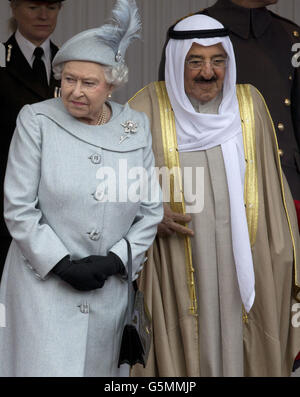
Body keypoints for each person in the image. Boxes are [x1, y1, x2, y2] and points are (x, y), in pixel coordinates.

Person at [129, 14, 300, 377]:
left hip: (247, 262)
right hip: (176, 265)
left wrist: (282, 262)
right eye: (195, 61)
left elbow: (272, 194)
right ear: (176, 62)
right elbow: (108, 188)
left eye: (217, 60)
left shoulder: (249, 106)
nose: (208, 72)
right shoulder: (145, 109)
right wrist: (146, 214)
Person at [0, 0, 163, 377]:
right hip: (41, 287)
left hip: (107, 292)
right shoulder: (36, 120)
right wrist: (59, 264)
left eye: (88, 83)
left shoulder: (134, 126)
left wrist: (117, 259)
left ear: (112, 84)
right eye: (68, 79)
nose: (74, 91)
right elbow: (19, 207)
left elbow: (150, 210)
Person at [159, 0, 300, 219]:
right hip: (214, 181)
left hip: (285, 184)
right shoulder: (191, 30)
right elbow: (172, 117)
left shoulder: (290, 35)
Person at [0, 0, 65, 280]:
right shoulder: (3, 59)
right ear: (13, 8)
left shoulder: (70, 64)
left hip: (59, 200)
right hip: (8, 197)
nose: (43, 16)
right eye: (33, 7)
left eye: (51, 7)